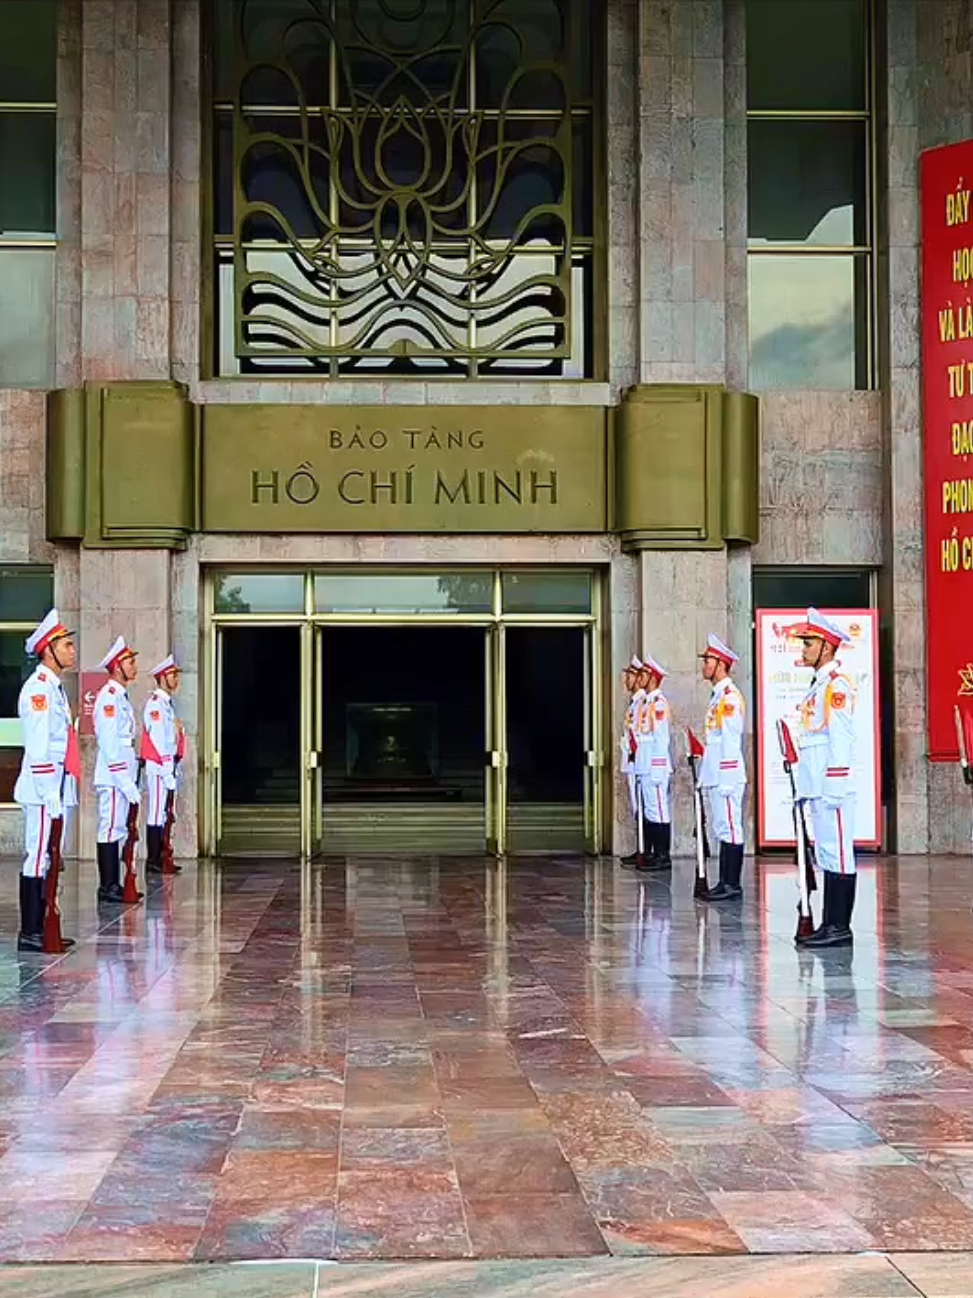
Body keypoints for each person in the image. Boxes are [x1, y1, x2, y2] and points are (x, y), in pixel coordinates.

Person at [13, 609, 79, 952]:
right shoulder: (38, 690)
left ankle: (44, 924)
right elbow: (38, 748)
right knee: (37, 856)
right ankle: (31, 931)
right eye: (66, 645)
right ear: (47, 649)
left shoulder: (55, 688)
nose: (72, 650)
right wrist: (49, 791)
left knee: (50, 857)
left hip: (55, 784)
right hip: (42, 789)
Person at [791, 608, 857, 948]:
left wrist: (834, 783)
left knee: (839, 852)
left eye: (809, 642)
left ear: (827, 647)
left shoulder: (836, 685)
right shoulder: (819, 684)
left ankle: (840, 927)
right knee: (827, 853)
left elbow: (841, 739)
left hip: (833, 785)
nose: (803, 648)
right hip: (817, 783)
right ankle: (829, 923)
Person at [697, 633, 747, 900]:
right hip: (716, 772)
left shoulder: (729, 697)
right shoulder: (718, 696)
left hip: (726, 773)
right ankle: (725, 881)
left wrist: (726, 776)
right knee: (721, 826)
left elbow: (731, 738)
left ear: (721, 664)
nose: (704, 664)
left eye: (708, 660)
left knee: (730, 826)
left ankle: (732, 884)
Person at [93, 637, 142, 905]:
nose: (134, 666)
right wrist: (124, 780)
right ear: (116, 666)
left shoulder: (121, 696)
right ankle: (108, 885)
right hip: (113, 776)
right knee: (110, 827)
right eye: (130, 662)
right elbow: (109, 744)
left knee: (119, 827)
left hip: (122, 772)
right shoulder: (109, 698)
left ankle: (116, 883)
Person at [142, 654, 183, 874]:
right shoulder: (156, 704)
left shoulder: (166, 704)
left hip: (168, 765)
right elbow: (158, 739)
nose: (175, 679)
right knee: (157, 812)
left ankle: (162, 856)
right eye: (171, 675)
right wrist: (167, 769)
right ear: (161, 677)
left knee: (164, 813)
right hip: (159, 766)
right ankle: (154, 860)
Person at [633, 652, 672, 870]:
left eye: (644, 673)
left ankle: (662, 855)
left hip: (654, 765)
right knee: (650, 809)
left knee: (658, 809)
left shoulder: (658, 704)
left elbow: (661, 738)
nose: (641, 677)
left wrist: (657, 768)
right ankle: (654, 853)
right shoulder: (647, 703)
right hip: (644, 763)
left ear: (653, 677)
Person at [619, 655, 645, 867]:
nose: (625, 679)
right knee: (638, 806)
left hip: (640, 762)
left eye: (629, 675)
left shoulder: (643, 704)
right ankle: (641, 848)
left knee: (645, 806)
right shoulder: (635, 703)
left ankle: (646, 850)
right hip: (632, 761)